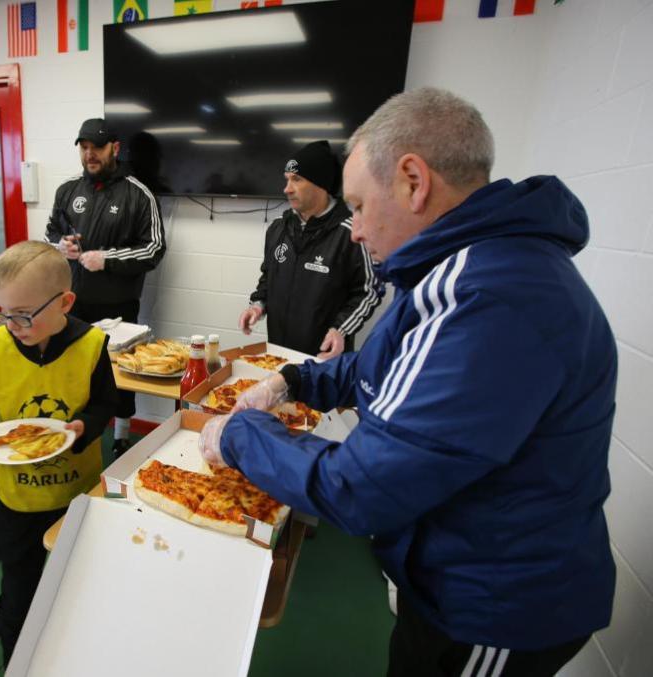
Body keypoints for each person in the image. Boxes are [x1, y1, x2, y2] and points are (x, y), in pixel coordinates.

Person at [199, 88, 616, 676]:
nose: (356, 230)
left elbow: (360, 489)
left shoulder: (488, 296)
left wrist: (240, 436)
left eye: (360, 206)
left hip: (494, 604)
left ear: (413, 181)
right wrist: (292, 381)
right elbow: (381, 366)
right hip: (452, 573)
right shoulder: (464, 268)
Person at [0, 241, 118, 663]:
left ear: (65, 301)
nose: (12, 324)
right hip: (18, 499)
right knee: (18, 592)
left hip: (78, 494)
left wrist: (85, 425)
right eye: (2, 312)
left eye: (23, 314)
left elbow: (105, 403)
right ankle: (17, 662)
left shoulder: (92, 344)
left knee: (78, 584)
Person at [44, 118, 165, 457]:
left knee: (118, 379)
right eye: (83, 148)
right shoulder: (67, 190)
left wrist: (107, 259)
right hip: (72, 302)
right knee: (74, 371)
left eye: (96, 147)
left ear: (114, 148)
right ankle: (72, 429)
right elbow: (50, 232)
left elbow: (154, 248)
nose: (89, 154)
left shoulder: (138, 193)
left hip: (118, 306)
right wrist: (60, 246)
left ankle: (123, 435)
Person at [238, 140, 380, 357]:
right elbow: (268, 277)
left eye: (296, 179)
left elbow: (369, 291)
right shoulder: (278, 228)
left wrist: (340, 330)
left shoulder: (350, 233)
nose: (286, 188)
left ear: (320, 184)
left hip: (324, 362)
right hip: (278, 356)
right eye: (287, 180)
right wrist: (257, 305)